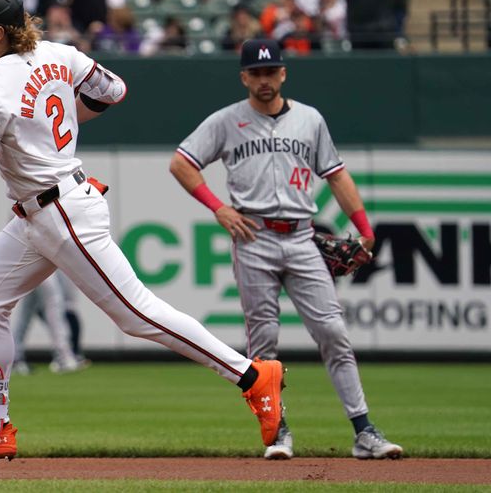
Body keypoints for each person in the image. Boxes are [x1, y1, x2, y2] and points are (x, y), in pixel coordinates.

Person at [0, 0, 285, 465]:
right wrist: (53, 128)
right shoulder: (60, 53)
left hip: (60, 211)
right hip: (43, 210)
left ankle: (251, 375)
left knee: (135, 314)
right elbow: (113, 91)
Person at [169, 38, 404, 461]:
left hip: (301, 236)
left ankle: (364, 431)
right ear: (244, 77)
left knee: (333, 332)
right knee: (264, 343)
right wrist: (219, 208)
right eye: (255, 73)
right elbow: (182, 163)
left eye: (270, 71)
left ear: (283, 73)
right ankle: (279, 432)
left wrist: (364, 229)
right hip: (253, 237)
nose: (264, 79)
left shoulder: (310, 120)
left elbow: (336, 175)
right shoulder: (225, 121)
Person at [12, 270, 88, 375]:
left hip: (30, 267)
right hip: (38, 265)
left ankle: (14, 358)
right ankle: (63, 357)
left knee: (26, 312)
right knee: (54, 306)